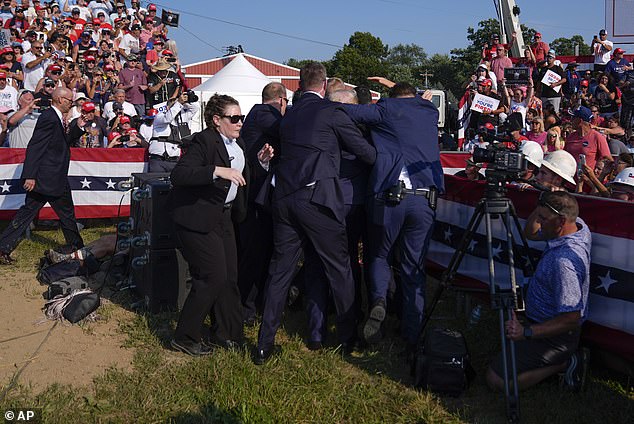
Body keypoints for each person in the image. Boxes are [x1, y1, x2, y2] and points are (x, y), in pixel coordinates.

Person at [254, 62, 376, 365]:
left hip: (285, 199)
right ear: (323, 86)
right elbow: (366, 153)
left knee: (280, 272)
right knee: (339, 268)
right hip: (318, 200)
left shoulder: (289, 115)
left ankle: (264, 344)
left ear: (299, 84)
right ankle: (348, 338)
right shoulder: (332, 113)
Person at [168, 94, 273, 356]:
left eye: (242, 118)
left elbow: (242, 176)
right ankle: (185, 335)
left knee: (229, 278)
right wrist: (215, 170)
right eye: (234, 118)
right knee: (211, 277)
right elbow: (179, 174)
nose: (240, 123)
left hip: (224, 217)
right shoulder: (204, 141)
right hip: (197, 218)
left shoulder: (238, 144)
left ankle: (227, 333)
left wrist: (259, 162)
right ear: (217, 120)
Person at [342, 82, 443, 353]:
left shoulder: (385, 109)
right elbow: (416, 104)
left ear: (393, 98)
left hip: (389, 200)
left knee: (379, 256)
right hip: (424, 200)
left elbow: (349, 113)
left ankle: (378, 302)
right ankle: (412, 334)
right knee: (414, 268)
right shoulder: (429, 111)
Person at [486, 191, 591, 392]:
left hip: (555, 336)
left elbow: (571, 317)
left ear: (561, 221)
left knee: (496, 380)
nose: (539, 222)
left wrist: (526, 333)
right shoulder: (579, 227)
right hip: (543, 324)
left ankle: (566, 363)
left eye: (543, 218)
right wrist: (544, 201)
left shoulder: (563, 263)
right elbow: (530, 233)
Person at [0, 87, 83, 265]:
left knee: (27, 214)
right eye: (69, 100)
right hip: (48, 178)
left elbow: (63, 142)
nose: (71, 103)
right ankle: (77, 248)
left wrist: (79, 127)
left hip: (51, 177)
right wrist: (29, 175)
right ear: (60, 100)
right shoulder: (49, 118)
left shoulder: (56, 118)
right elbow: (35, 146)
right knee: (66, 214)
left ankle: (3, 247)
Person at [236, 82, 287, 326]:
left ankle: (252, 305)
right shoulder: (266, 114)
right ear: (281, 100)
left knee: (259, 253)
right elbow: (288, 131)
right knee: (254, 255)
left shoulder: (257, 114)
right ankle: (245, 307)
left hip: (257, 197)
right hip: (255, 199)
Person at [148, 89, 199, 172]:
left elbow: (195, 108)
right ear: (168, 107)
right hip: (158, 159)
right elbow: (168, 118)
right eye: (174, 105)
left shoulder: (182, 117)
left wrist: (185, 102)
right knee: (156, 183)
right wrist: (178, 103)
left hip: (174, 160)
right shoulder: (160, 116)